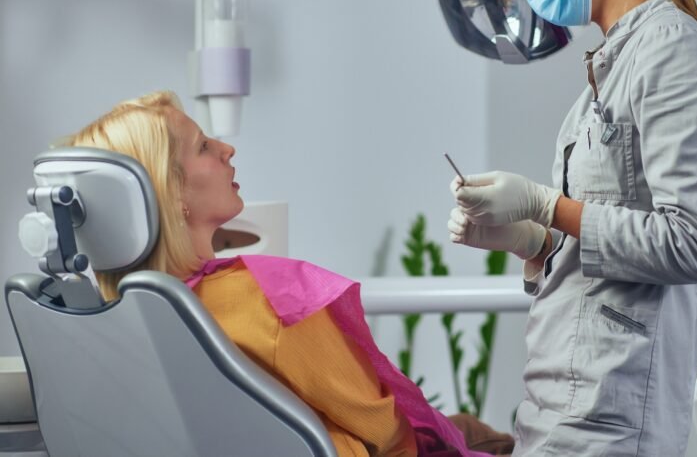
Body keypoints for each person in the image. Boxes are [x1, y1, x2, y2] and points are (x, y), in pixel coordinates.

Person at [448, 0, 697, 455]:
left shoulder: (672, 51)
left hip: (613, 415)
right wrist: (531, 240)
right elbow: (607, 231)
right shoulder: (608, 69)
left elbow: (693, 243)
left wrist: (546, 206)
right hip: (560, 407)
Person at [69, 91, 513, 457]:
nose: (227, 149)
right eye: (204, 147)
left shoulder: (122, 319)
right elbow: (383, 427)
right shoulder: (269, 298)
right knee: (485, 437)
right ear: (172, 191)